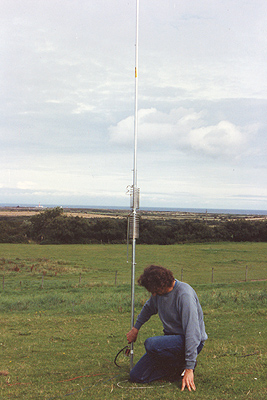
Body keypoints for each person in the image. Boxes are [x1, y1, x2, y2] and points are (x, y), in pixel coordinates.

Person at [126, 265, 208, 391]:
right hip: (170, 343)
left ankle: (185, 366)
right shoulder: (158, 294)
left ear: (163, 284)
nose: (153, 294)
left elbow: (193, 334)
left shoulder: (184, 295)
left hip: (189, 342)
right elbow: (148, 308)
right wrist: (135, 328)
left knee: (151, 344)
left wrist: (189, 367)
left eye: (154, 290)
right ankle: (175, 370)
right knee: (136, 376)